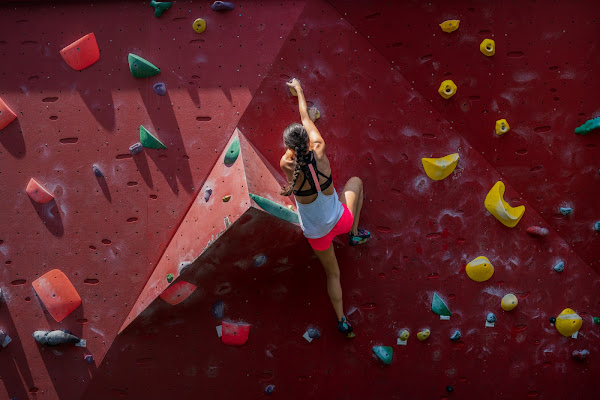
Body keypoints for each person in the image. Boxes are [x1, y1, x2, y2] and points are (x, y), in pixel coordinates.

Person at [279, 78, 370, 337]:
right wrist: (299, 91)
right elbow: (306, 119)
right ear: (308, 142)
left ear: (289, 149)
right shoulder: (319, 149)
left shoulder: (287, 165)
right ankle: (353, 233)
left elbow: (292, 155)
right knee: (356, 183)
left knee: (333, 274)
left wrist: (292, 150)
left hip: (317, 234)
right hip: (338, 220)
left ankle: (342, 320)